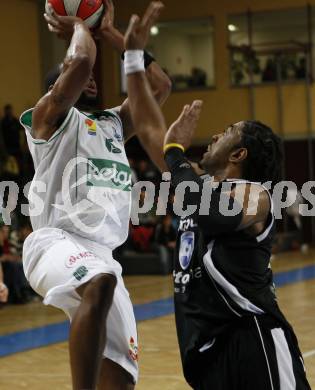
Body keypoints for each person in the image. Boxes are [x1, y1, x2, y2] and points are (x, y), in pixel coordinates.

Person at [124, 14, 311, 390]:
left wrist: (175, 153)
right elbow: (146, 128)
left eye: (226, 132)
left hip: (252, 342)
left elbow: (210, 213)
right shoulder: (197, 182)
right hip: (206, 352)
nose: (213, 135)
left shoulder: (257, 196)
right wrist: (130, 54)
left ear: (239, 154)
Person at [19, 1, 170, 389]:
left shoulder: (113, 124)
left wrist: (112, 35)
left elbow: (159, 86)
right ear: (57, 85)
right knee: (99, 280)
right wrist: (79, 28)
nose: (88, 79)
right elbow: (82, 62)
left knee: (122, 376)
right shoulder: (48, 118)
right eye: (72, 75)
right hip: (55, 240)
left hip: (104, 254)